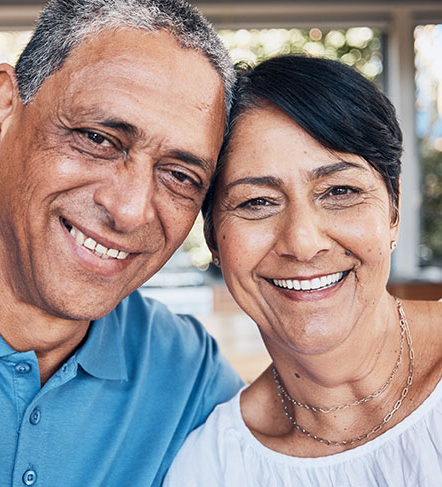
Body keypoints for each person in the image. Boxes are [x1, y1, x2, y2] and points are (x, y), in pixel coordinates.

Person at [0, 1, 244, 485]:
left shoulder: (183, 370)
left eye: (180, 175)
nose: (129, 210)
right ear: (0, 114)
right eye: (98, 138)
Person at [164, 55, 442, 486]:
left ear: (394, 210)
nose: (302, 242)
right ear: (215, 238)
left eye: (340, 191)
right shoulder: (213, 466)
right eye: (256, 202)